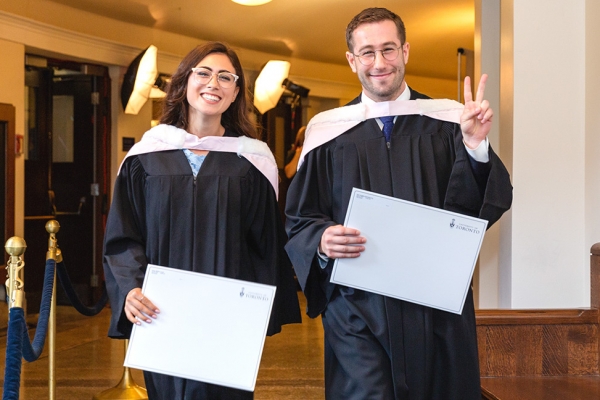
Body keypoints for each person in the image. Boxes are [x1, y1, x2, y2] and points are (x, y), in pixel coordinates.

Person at [285, 7, 512, 400]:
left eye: (388, 49)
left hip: (434, 303)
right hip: (357, 306)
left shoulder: (446, 123)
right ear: (352, 60)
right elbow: (300, 217)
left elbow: (476, 209)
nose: (379, 62)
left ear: (405, 51)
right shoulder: (329, 132)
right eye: (367, 52)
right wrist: (321, 240)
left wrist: (475, 147)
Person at [103, 41, 301, 400]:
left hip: (227, 317)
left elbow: (267, 247)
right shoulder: (146, 157)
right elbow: (124, 236)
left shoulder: (252, 162)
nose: (214, 83)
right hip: (161, 312)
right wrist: (131, 288)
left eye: (226, 77)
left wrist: (252, 309)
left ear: (236, 92)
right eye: (204, 73)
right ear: (184, 81)